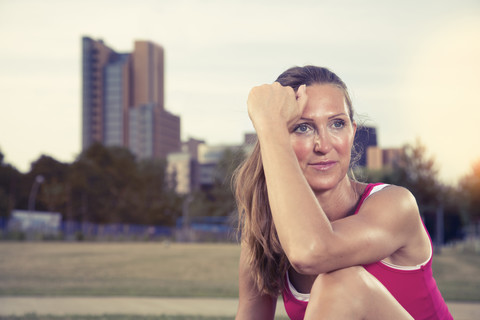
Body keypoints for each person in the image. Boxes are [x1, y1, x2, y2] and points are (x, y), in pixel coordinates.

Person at [234, 66, 453, 320]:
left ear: (352, 132)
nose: (324, 145)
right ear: (276, 144)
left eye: (337, 124)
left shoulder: (395, 204)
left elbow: (312, 252)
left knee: (341, 285)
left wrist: (269, 124)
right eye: (303, 128)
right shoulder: (266, 231)